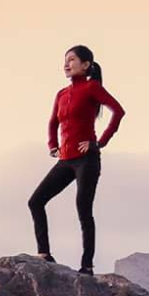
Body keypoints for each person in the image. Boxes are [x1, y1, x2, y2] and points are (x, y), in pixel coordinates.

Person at [29, 45, 125, 275]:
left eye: (72, 60)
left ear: (86, 65)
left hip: (87, 160)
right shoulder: (61, 94)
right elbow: (53, 122)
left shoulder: (92, 87)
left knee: (83, 209)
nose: (66, 64)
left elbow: (118, 111)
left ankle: (87, 266)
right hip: (66, 160)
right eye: (65, 60)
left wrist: (100, 142)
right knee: (35, 201)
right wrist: (53, 146)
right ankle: (44, 253)